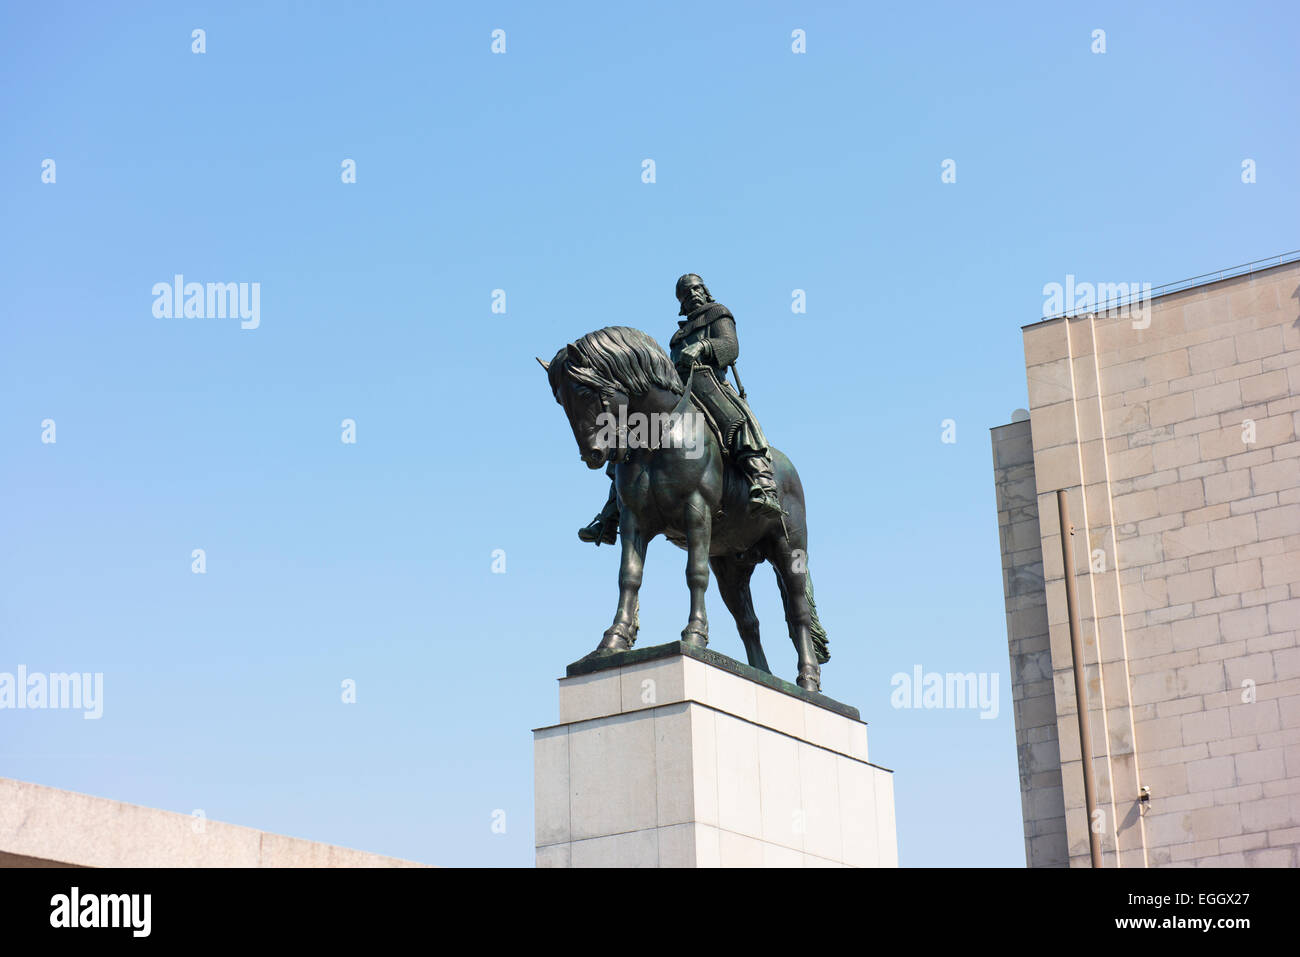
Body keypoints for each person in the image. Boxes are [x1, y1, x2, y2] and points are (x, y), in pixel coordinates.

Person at [577, 274, 783, 545]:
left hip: (710, 383)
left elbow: (731, 347)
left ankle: (762, 480)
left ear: (705, 290)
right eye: (685, 294)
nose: (692, 295)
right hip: (678, 389)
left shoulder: (718, 314)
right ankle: (612, 511)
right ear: (681, 303)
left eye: (696, 289)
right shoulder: (678, 335)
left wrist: (704, 346)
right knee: (631, 437)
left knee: (736, 419)